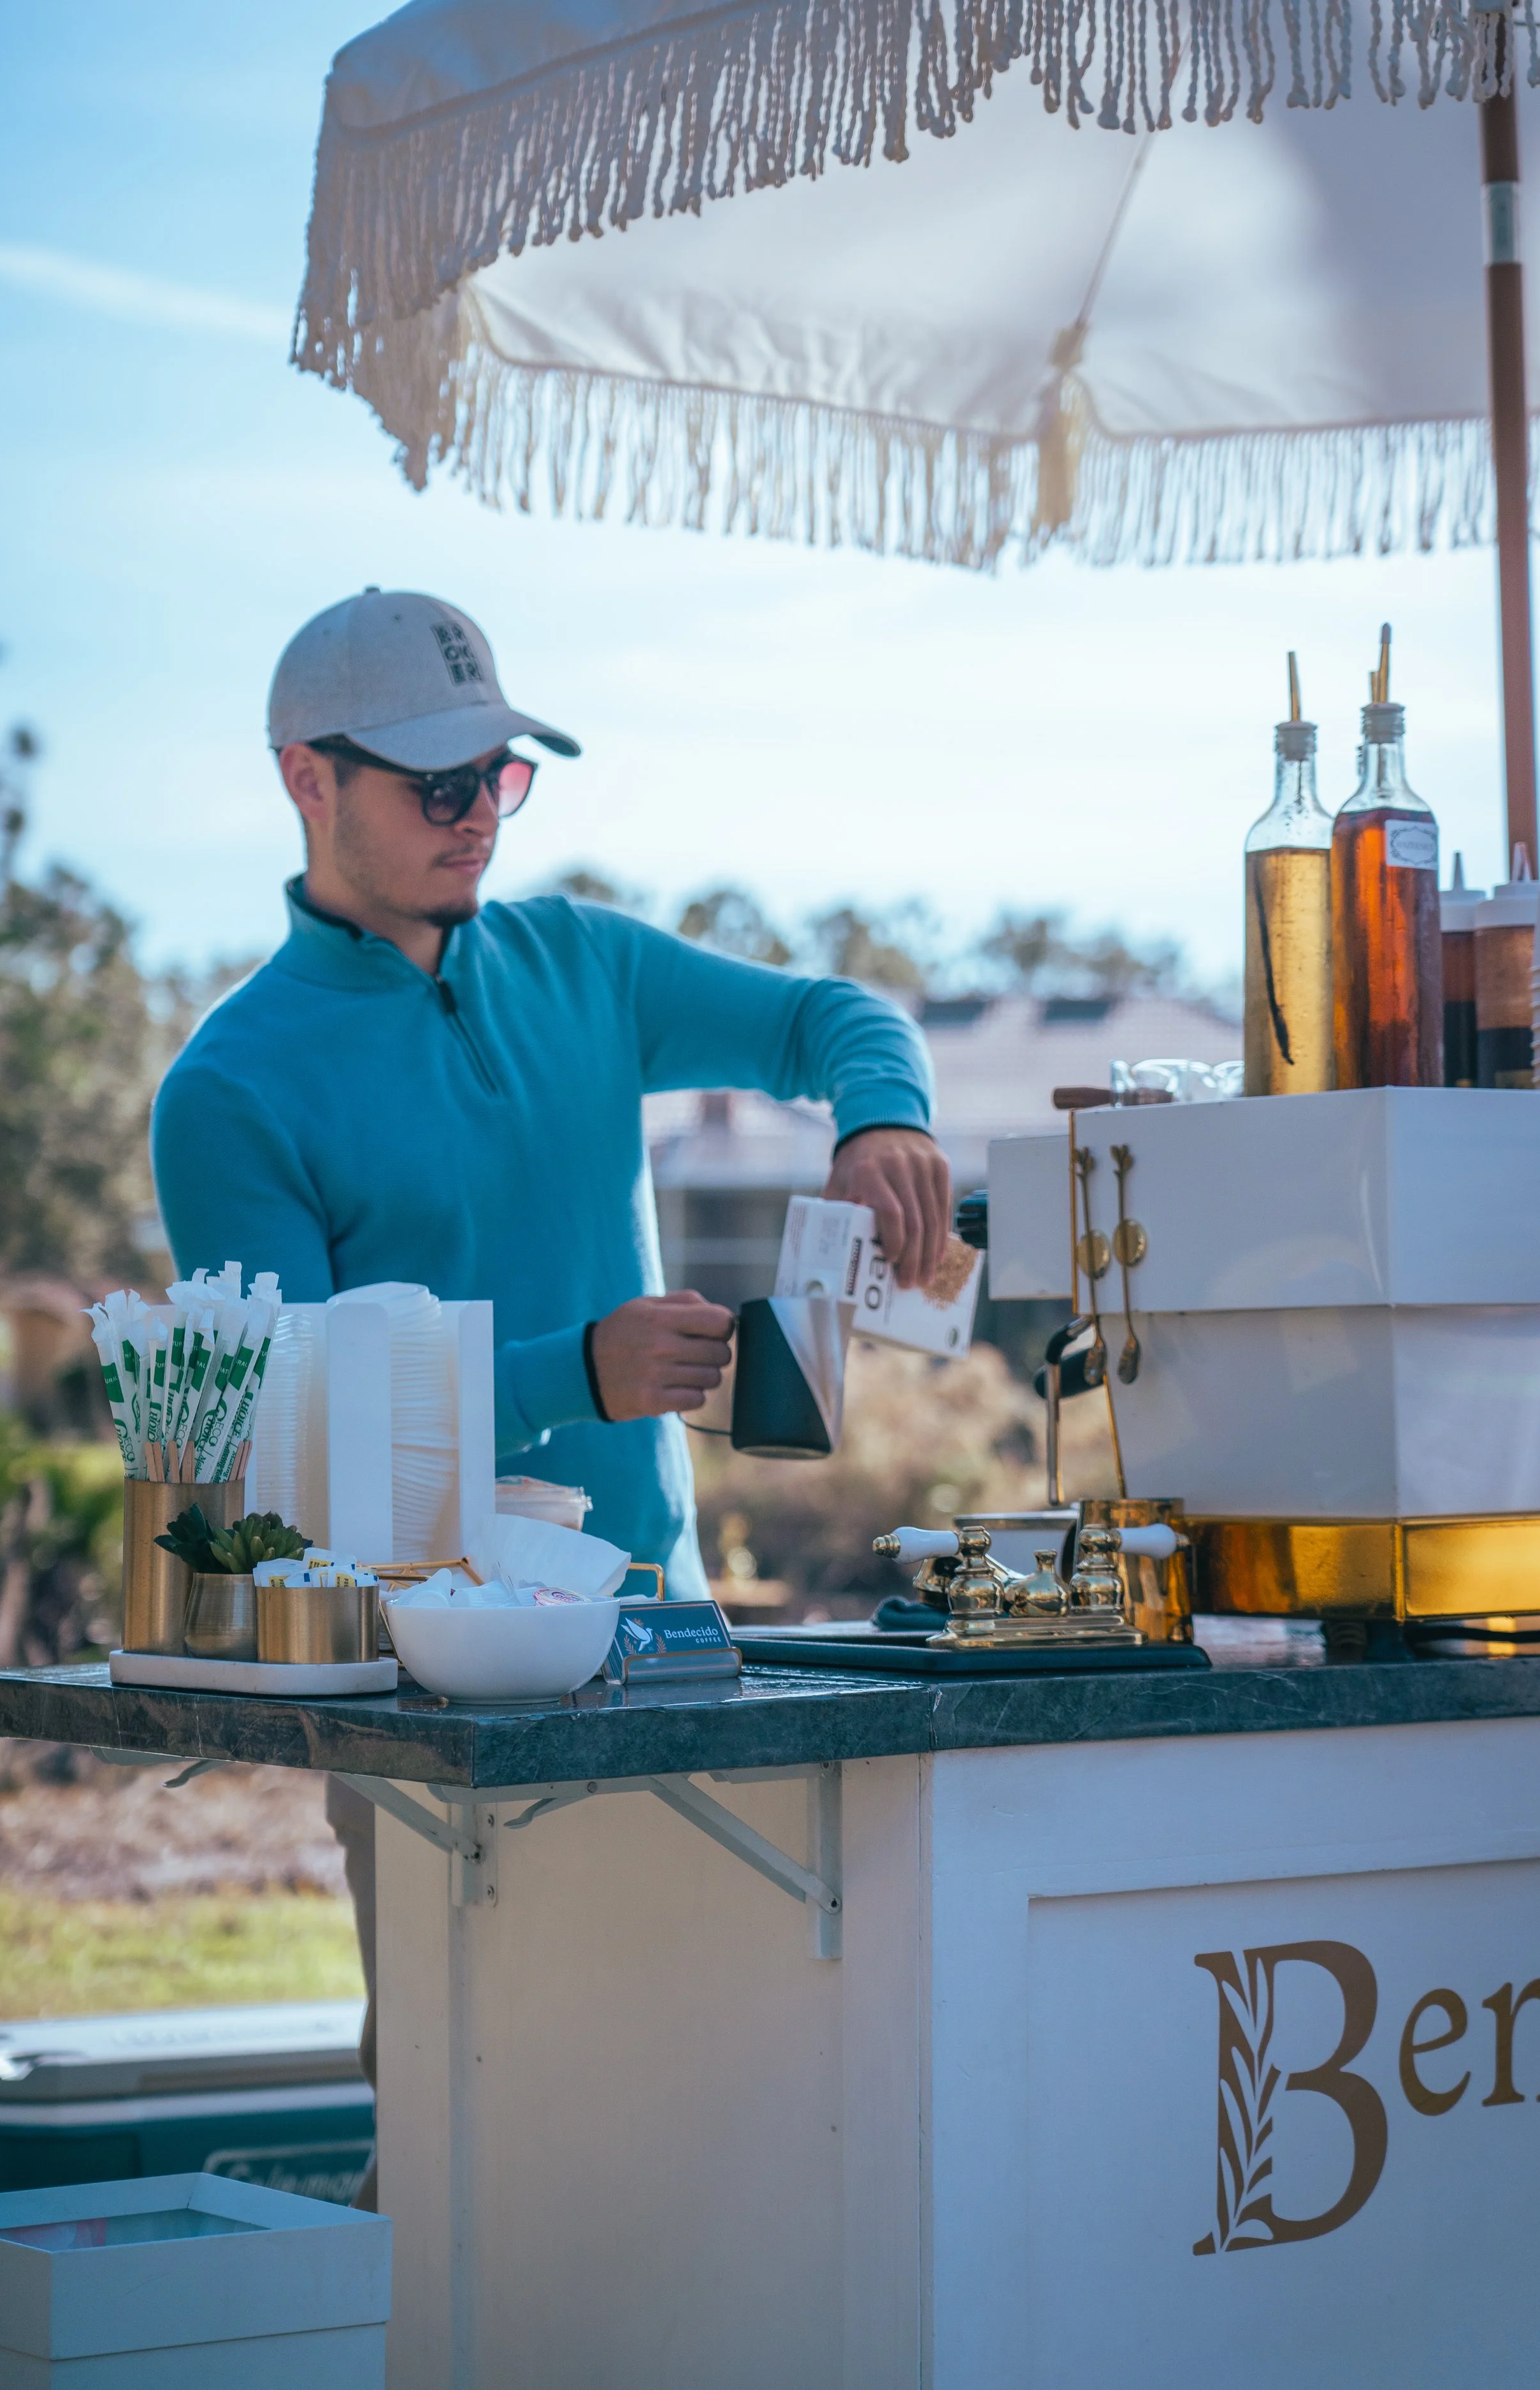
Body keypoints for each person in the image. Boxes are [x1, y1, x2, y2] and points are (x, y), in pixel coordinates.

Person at [150, 586, 949, 2204]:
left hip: (663, 1637)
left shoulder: (582, 962)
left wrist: (877, 1116)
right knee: (467, 2142)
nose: (479, 823)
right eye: (437, 787)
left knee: (721, 2134)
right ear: (307, 780)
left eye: (502, 779)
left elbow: (832, 1013)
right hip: (418, 1687)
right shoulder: (227, 1088)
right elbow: (289, 1447)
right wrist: (566, 1376)